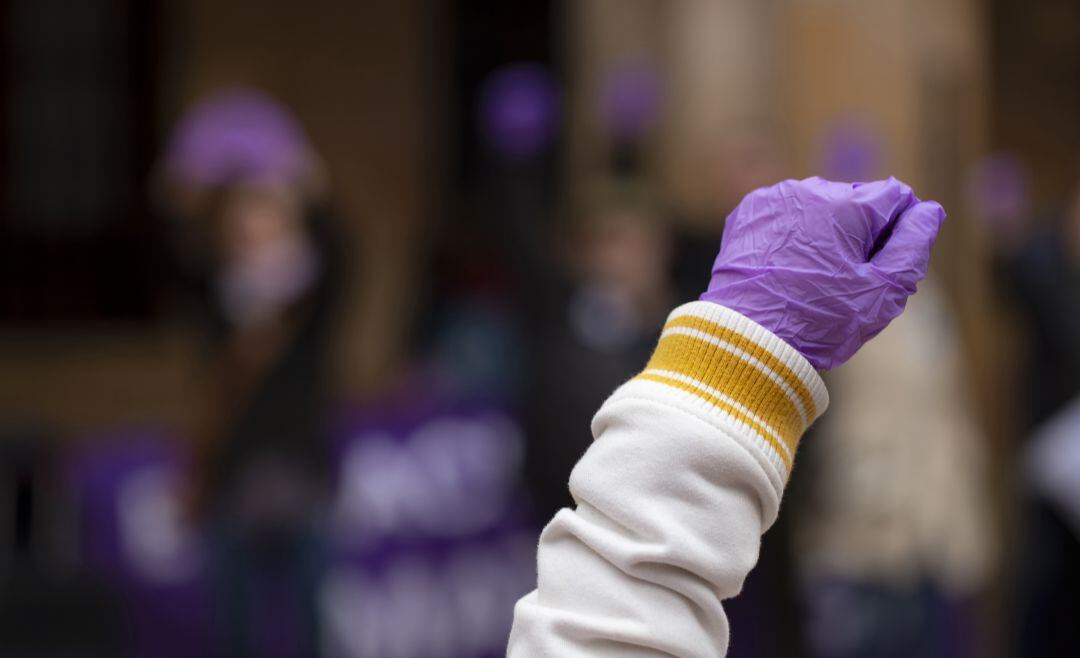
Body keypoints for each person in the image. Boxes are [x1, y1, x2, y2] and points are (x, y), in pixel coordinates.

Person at [507, 176, 946, 656]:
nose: (626, 259)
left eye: (638, 243)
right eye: (611, 243)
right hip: (639, 558)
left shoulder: (668, 314)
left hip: (734, 567)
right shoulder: (562, 343)